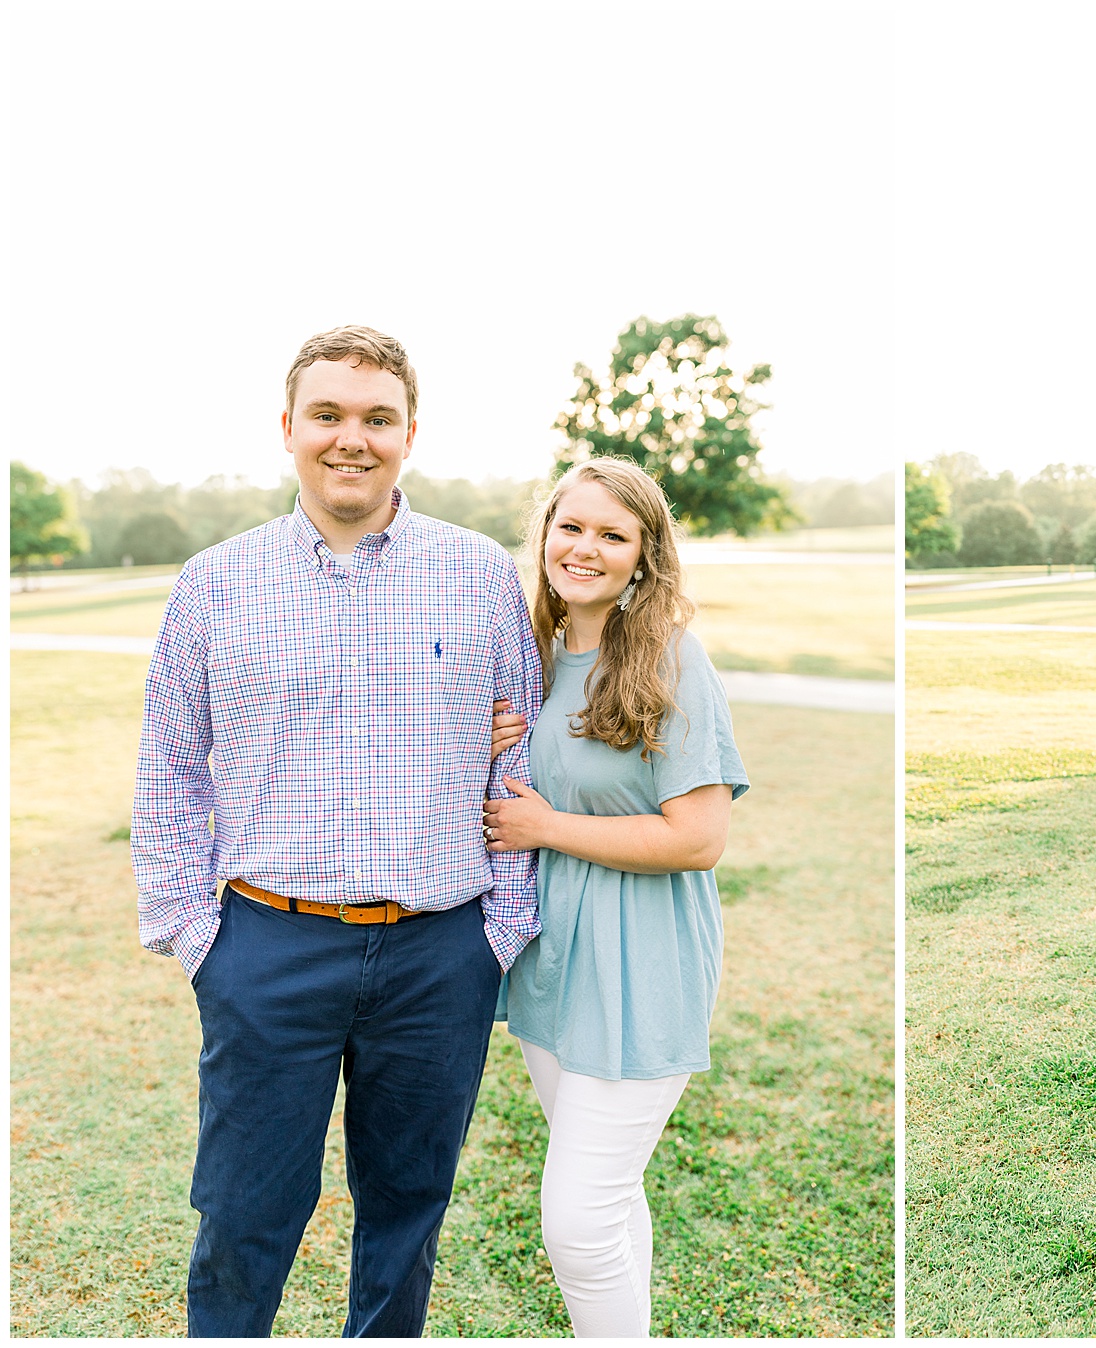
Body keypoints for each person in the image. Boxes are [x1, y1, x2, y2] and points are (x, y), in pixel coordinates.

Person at [133, 325, 543, 1337]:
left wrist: (499, 930)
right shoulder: (216, 581)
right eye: (327, 414)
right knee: (243, 1213)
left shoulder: (479, 573)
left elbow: (519, 755)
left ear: (409, 433)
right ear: (288, 427)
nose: (350, 438)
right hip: (266, 943)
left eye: (376, 418)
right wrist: (198, 934)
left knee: (407, 1211)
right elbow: (169, 766)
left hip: (440, 949)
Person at [480, 457, 748, 1337]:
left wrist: (549, 828)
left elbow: (698, 838)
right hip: (557, 968)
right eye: (571, 526)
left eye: (612, 534)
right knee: (610, 1197)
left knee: (579, 1220)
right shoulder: (541, 655)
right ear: (545, 534)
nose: (584, 548)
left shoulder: (670, 660)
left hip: (644, 972)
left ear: (645, 556)